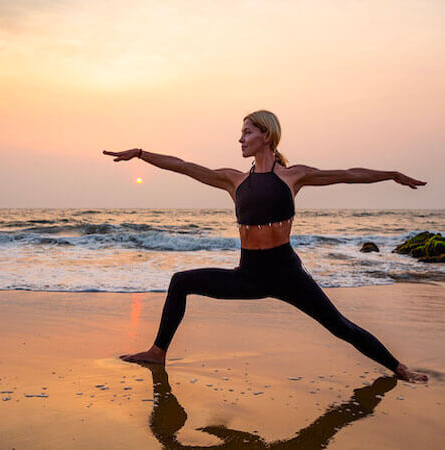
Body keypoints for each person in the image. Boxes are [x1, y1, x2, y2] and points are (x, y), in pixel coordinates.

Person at [102, 109, 428, 383]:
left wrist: (391, 174)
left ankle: (399, 369)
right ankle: (157, 353)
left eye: (247, 132)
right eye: (241, 133)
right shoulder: (234, 180)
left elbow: (347, 174)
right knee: (180, 282)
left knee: (340, 326)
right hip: (249, 275)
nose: (240, 139)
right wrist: (143, 155)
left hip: (288, 275)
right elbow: (185, 166)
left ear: (266, 136)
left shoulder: (292, 176)